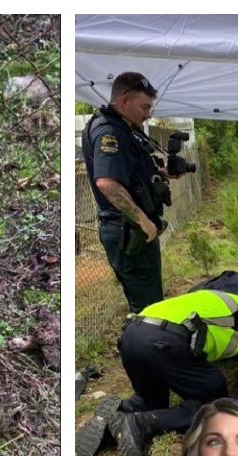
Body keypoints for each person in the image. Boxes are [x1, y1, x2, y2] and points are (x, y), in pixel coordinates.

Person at [76, 289, 238, 456]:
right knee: (214, 401)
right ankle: (139, 424)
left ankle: (121, 413)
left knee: (152, 400)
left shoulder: (229, 310)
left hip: (132, 335)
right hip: (165, 341)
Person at [82, 72, 170, 313]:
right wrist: (142, 220)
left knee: (151, 301)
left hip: (136, 230)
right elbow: (107, 183)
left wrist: (159, 175)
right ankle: (145, 348)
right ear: (123, 102)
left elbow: (131, 175)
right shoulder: (109, 132)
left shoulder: (126, 128)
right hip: (128, 230)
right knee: (147, 309)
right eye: (144, 106)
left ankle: (150, 344)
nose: (148, 113)